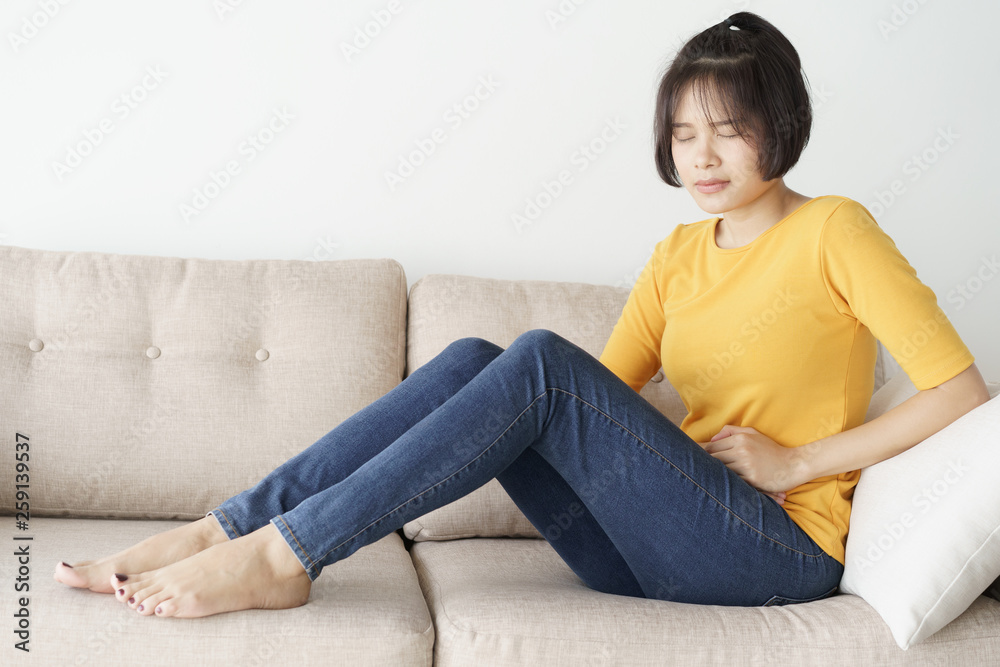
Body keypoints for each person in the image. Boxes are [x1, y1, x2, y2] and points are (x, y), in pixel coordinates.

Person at [54, 12, 989, 618]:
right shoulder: (675, 257)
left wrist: (800, 461)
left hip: (775, 550)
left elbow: (962, 391)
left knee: (536, 359)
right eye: (684, 131)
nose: (704, 154)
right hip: (647, 550)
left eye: (730, 127)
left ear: (779, 123)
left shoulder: (835, 230)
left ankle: (286, 554)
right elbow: (579, 403)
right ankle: (229, 528)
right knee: (476, 359)